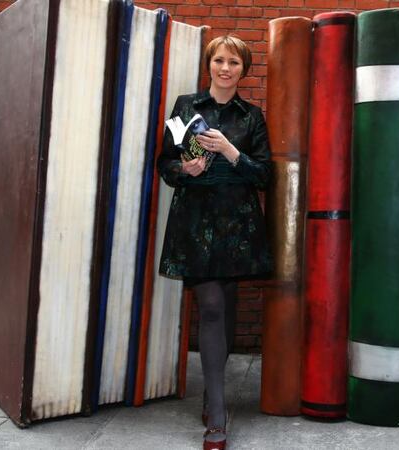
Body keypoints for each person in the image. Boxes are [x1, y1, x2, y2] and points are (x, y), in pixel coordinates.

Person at [157, 35, 272, 450]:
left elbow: (264, 175)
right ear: (210, 64)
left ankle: (212, 392)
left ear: (244, 69)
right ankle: (218, 416)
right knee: (210, 307)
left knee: (225, 311)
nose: (226, 69)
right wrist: (183, 168)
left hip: (237, 225)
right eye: (220, 61)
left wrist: (230, 151)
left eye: (234, 63)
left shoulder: (252, 116)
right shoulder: (186, 106)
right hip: (197, 222)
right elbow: (163, 163)